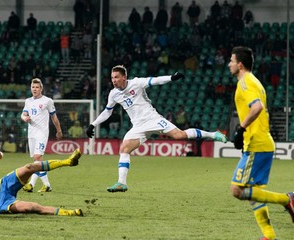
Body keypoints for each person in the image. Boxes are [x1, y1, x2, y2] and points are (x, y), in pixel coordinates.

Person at [86, 65, 227, 193]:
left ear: (124, 77)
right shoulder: (113, 94)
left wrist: (171, 78)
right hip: (138, 126)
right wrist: (93, 124)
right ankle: (121, 183)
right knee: (124, 149)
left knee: (180, 135)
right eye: (112, 78)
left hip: (153, 119)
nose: (114, 80)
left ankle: (213, 134)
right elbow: (107, 111)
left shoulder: (137, 83)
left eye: (116, 77)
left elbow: (155, 80)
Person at [228, 46, 294, 240]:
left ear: (240, 64)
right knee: (255, 193)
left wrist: (241, 129)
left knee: (237, 190)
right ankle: (269, 235)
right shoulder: (253, 81)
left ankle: (287, 199)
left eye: (231, 61)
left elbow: (257, 107)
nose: (229, 64)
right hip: (261, 142)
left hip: (257, 144)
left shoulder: (246, 83)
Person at [0, 148, 83, 216]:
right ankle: (69, 212)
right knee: (31, 207)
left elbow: (0, 155)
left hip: (3, 184)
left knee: (30, 167)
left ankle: (68, 161)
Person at [21, 78, 63, 193]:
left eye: (37, 87)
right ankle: (39, 185)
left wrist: (58, 130)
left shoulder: (47, 101)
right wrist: (25, 118)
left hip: (42, 133)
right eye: (33, 87)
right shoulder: (28, 101)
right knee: (37, 160)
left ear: (41, 89)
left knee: (37, 157)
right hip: (31, 133)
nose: (34, 89)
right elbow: (23, 114)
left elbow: (54, 117)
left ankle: (38, 184)